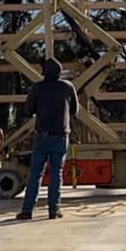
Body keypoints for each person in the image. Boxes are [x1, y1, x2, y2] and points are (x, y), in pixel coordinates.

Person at [17, 57, 79, 220]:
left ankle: (27, 210)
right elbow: (75, 110)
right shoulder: (67, 87)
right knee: (56, 173)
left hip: (42, 135)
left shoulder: (38, 88)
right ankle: (54, 210)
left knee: (36, 173)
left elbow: (28, 110)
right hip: (61, 135)